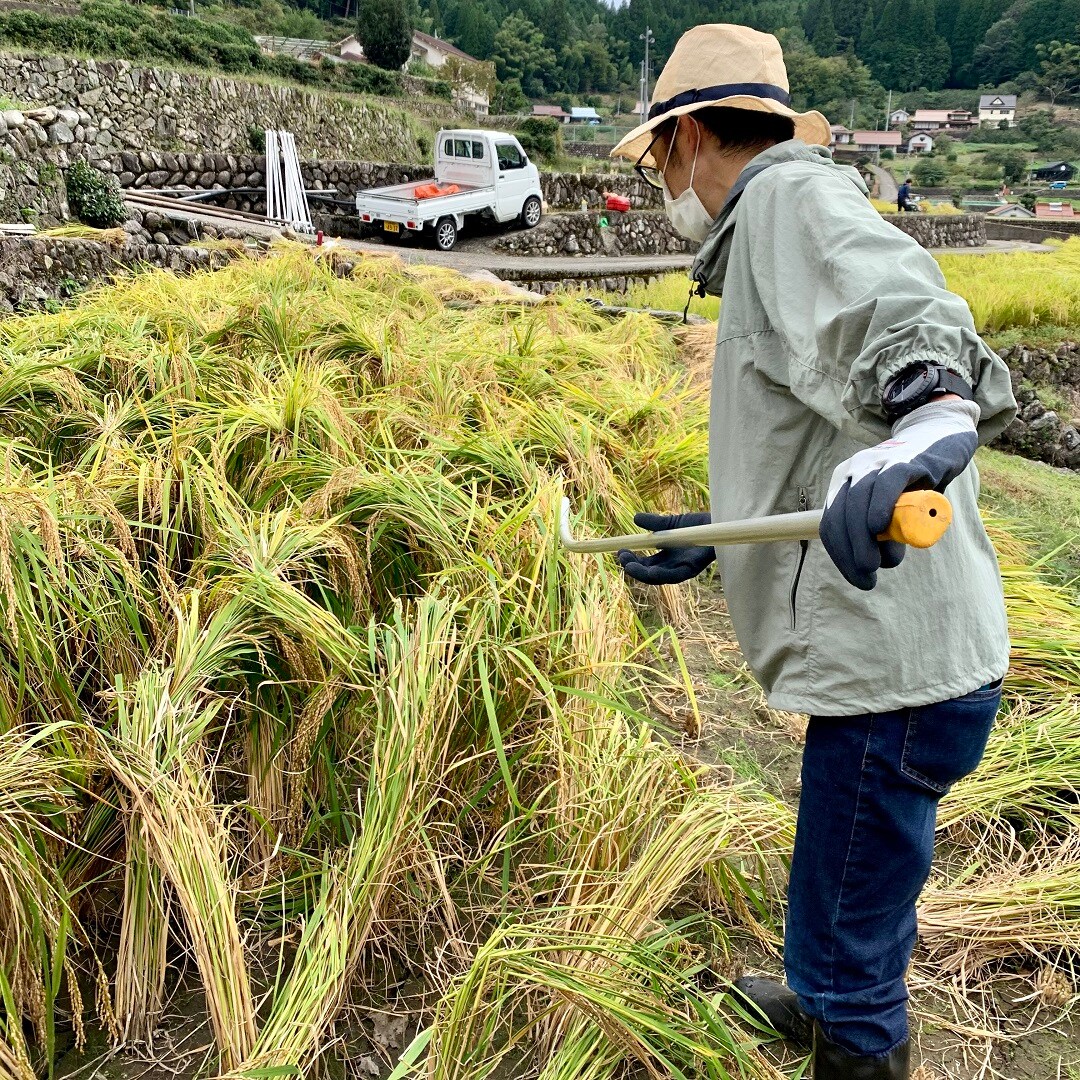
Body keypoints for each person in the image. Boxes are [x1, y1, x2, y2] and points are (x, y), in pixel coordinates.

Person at [609, 24, 1016, 1080]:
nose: (663, 183)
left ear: (686, 136)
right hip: (903, 658)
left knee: (854, 923)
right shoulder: (771, 219)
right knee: (851, 874)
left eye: (657, 158)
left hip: (894, 671)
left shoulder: (788, 198)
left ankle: (848, 1030)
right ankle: (819, 988)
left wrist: (932, 411)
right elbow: (817, 439)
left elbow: (901, 307)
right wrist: (715, 537)